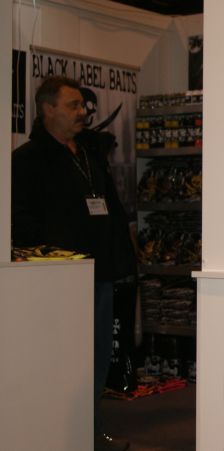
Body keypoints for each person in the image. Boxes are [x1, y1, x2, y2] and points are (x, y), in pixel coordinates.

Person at [11, 76, 135, 451]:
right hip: (58, 279)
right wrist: (55, 253)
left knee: (97, 355)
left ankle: (89, 432)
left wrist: (123, 252)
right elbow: (19, 221)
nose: (83, 112)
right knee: (62, 360)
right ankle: (58, 435)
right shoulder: (26, 160)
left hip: (100, 271)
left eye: (83, 105)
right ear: (48, 109)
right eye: (73, 105)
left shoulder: (89, 153)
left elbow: (111, 207)